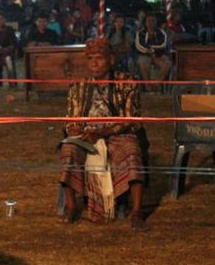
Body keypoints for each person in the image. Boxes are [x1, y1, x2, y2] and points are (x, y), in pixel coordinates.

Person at [59, 38, 148, 231]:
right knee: (69, 149)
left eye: (99, 58)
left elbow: (131, 119)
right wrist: (73, 129)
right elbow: (71, 117)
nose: (94, 63)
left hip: (118, 134)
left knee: (131, 151)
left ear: (111, 59)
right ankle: (71, 206)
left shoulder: (127, 82)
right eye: (90, 58)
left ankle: (136, 211)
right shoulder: (78, 85)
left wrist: (102, 132)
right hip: (86, 135)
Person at [134, 14, 171, 92]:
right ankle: (148, 85)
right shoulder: (140, 33)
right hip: (144, 54)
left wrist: (151, 50)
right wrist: (151, 51)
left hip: (158, 54)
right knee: (144, 63)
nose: (151, 23)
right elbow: (139, 46)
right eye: (149, 21)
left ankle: (155, 85)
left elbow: (162, 44)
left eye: (153, 21)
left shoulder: (161, 32)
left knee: (167, 64)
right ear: (145, 22)